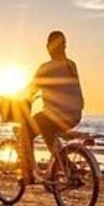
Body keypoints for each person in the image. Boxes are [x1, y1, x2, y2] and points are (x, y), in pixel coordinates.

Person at [19, 30, 84, 183]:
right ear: (65, 46)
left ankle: (28, 175)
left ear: (48, 47)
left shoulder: (46, 68)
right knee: (48, 131)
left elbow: (30, 90)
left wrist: (17, 99)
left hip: (56, 115)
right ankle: (60, 169)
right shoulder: (71, 65)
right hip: (75, 115)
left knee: (25, 131)